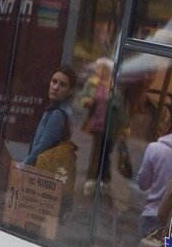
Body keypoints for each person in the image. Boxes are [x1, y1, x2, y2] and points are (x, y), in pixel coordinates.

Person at [23, 67, 78, 166]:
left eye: (63, 85)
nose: (56, 87)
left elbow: (41, 148)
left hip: (41, 173)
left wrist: (21, 167)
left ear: (70, 91)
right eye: (54, 81)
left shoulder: (57, 115)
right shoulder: (58, 111)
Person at [80, 58, 115, 195]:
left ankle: (104, 181)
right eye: (100, 68)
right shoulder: (93, 83)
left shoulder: (112, 85)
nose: (101, 71)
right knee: (96, 152)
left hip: (110, 124)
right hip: (96, 123)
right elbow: (85, 98)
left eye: (104, 69)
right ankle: (91, 180)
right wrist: (88, 101)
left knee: (106, 153)